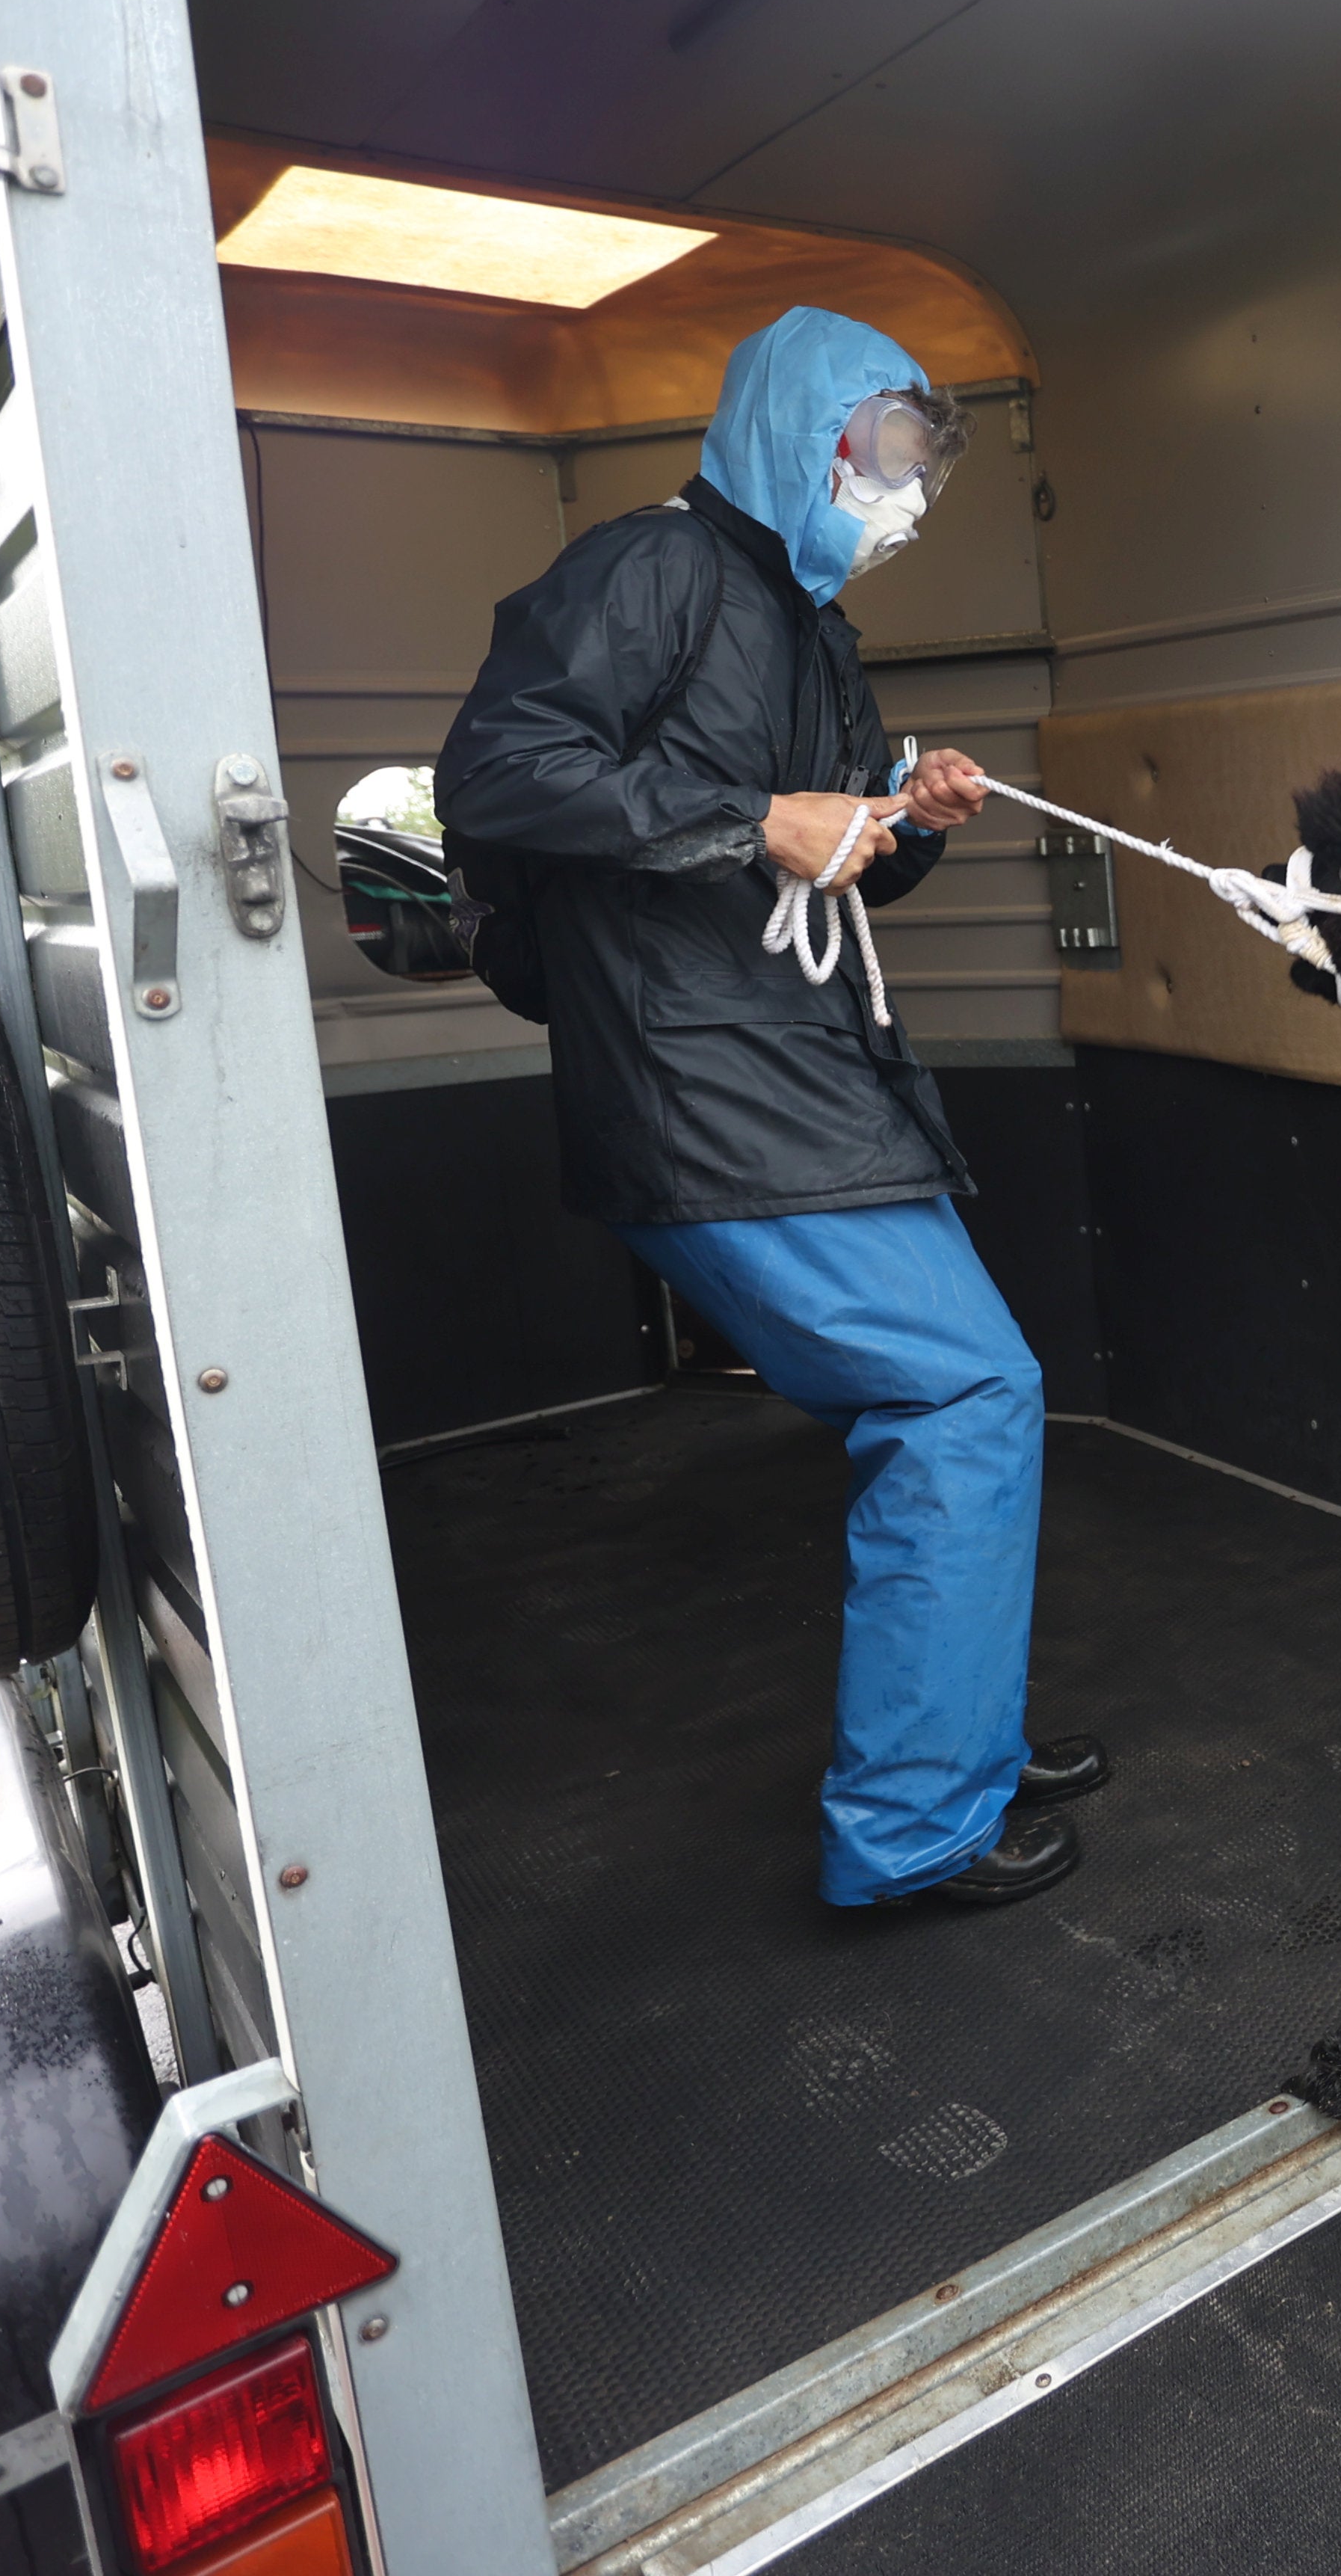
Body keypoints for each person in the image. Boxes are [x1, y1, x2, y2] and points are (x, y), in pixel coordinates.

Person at [437, 307, 1105, 1913]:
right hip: (710, 1094)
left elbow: (830, 847)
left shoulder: (806, 621)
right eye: (887, 452)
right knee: (963, 1401)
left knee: (964, 1404)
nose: (908, 496)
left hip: (801, 1083)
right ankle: (914, 1828)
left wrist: (908, 815)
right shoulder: (648, 571)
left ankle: (964, 1744)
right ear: (802, 431)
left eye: (924, 466)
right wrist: (753, 814)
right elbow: (496, 770)